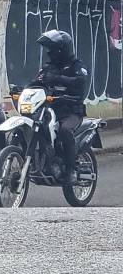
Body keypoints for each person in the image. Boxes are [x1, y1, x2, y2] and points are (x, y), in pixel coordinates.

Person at [34, 29, 89, 185]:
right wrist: (21, 89)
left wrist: (58, 78)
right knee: (36, 126)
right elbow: (37, 82)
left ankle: (71, 170)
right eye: (48, 49)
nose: (50, 52)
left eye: (53, 49)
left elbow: (80, 80)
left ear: (62, 49)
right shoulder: (48, 67)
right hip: (50, 110)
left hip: (71, 111)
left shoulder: (75, 64)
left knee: (65, 130)